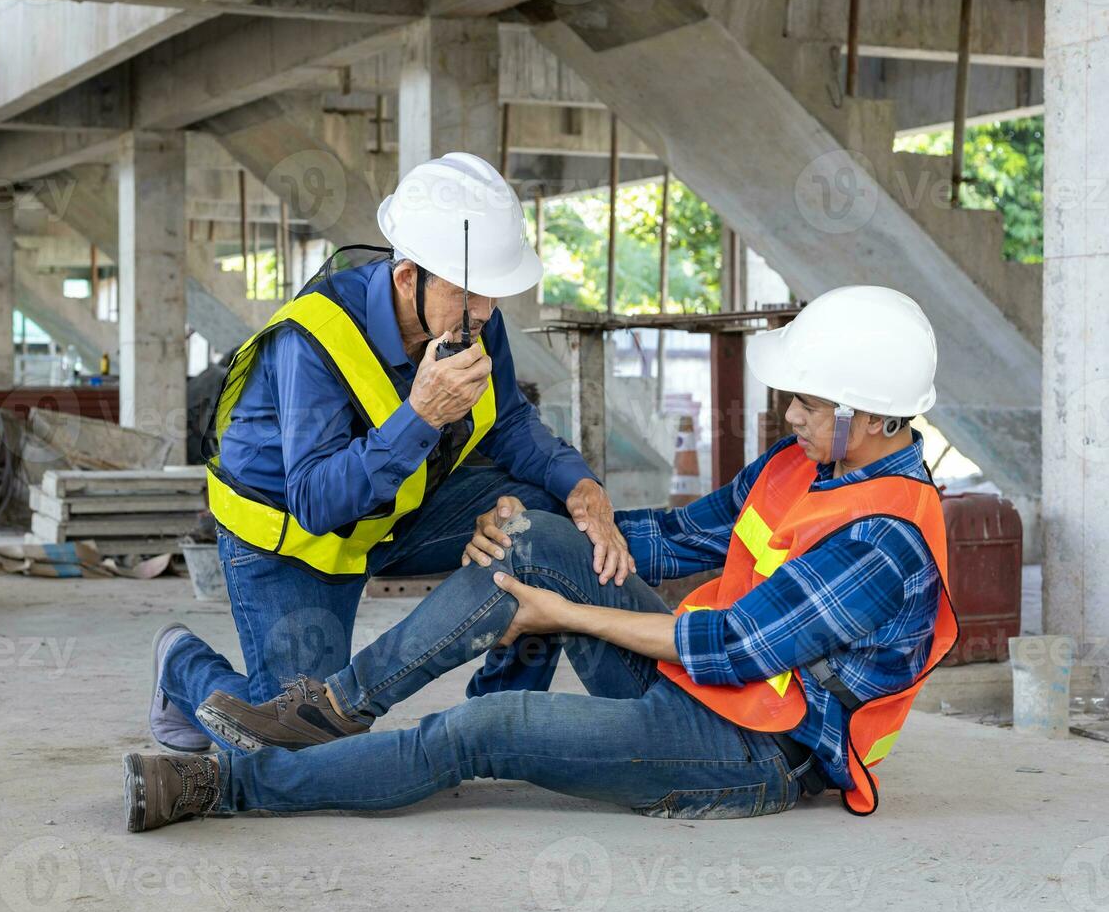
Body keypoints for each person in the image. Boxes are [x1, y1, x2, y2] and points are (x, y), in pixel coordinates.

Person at [123, 284, 959, 830]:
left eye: (810, 403)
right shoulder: (800, 464)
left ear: (874, 417)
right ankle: (336, 705)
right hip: (701, 682)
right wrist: (557, 521)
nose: (791, 415)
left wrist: (558, 612)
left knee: (486, 732)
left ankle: (232, 785)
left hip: (752, 749)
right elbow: (679, 539)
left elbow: (733, 646)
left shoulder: (885, 538)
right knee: (530, 535)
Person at [148, 153, 629, 754]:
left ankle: (498, 713)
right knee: (296, 742)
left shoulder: (469, 319)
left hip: (396, 511)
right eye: (469, 293)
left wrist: (580, 483)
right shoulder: (312, 339)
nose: (485, 312)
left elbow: (507, 422)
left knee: (544, 517)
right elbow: (318, 502)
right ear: (408, 278)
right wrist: (421, 414)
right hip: (295, 538)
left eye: (494, 295)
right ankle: (181, 665)